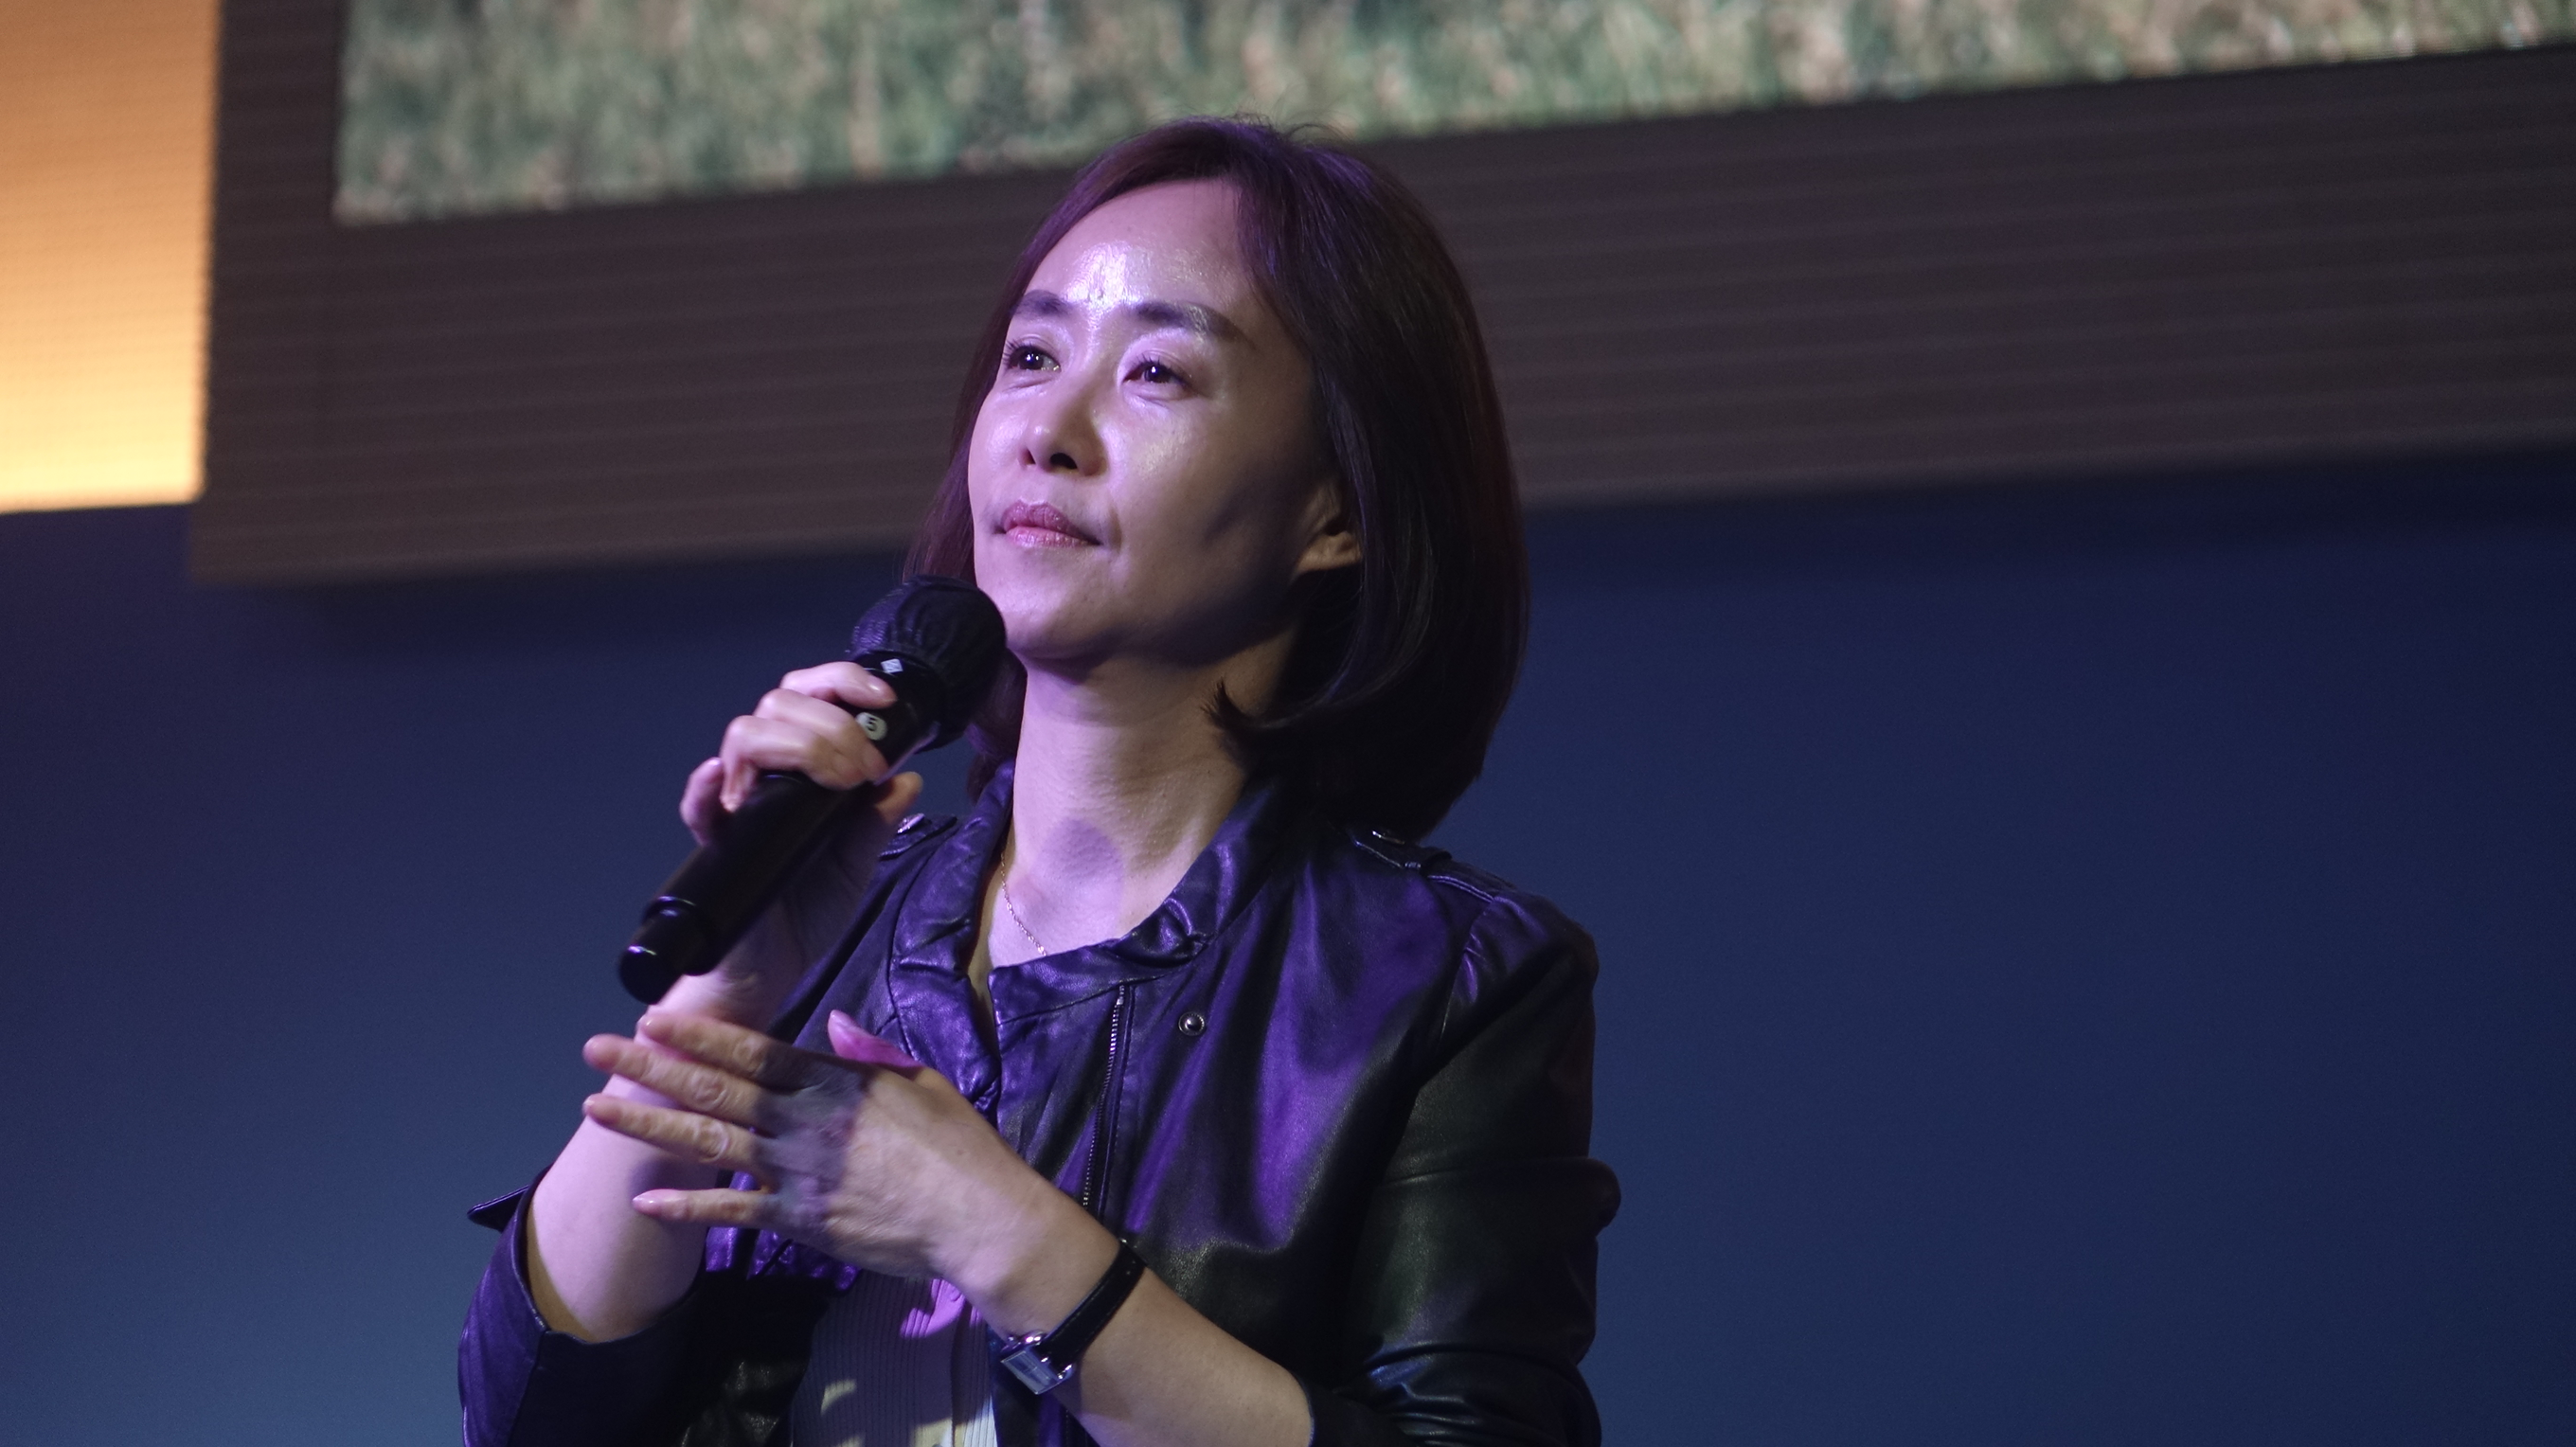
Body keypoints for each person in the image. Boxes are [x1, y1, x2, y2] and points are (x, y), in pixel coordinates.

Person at [459, 116, 1619, 1447]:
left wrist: (1006, 1241)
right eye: (1030, 357)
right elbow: (528, 1419)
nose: (1047, 432)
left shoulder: (1445, 983)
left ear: (1337, 511)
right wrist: (727, 995)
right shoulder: (835, 908)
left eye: (1157, 373)